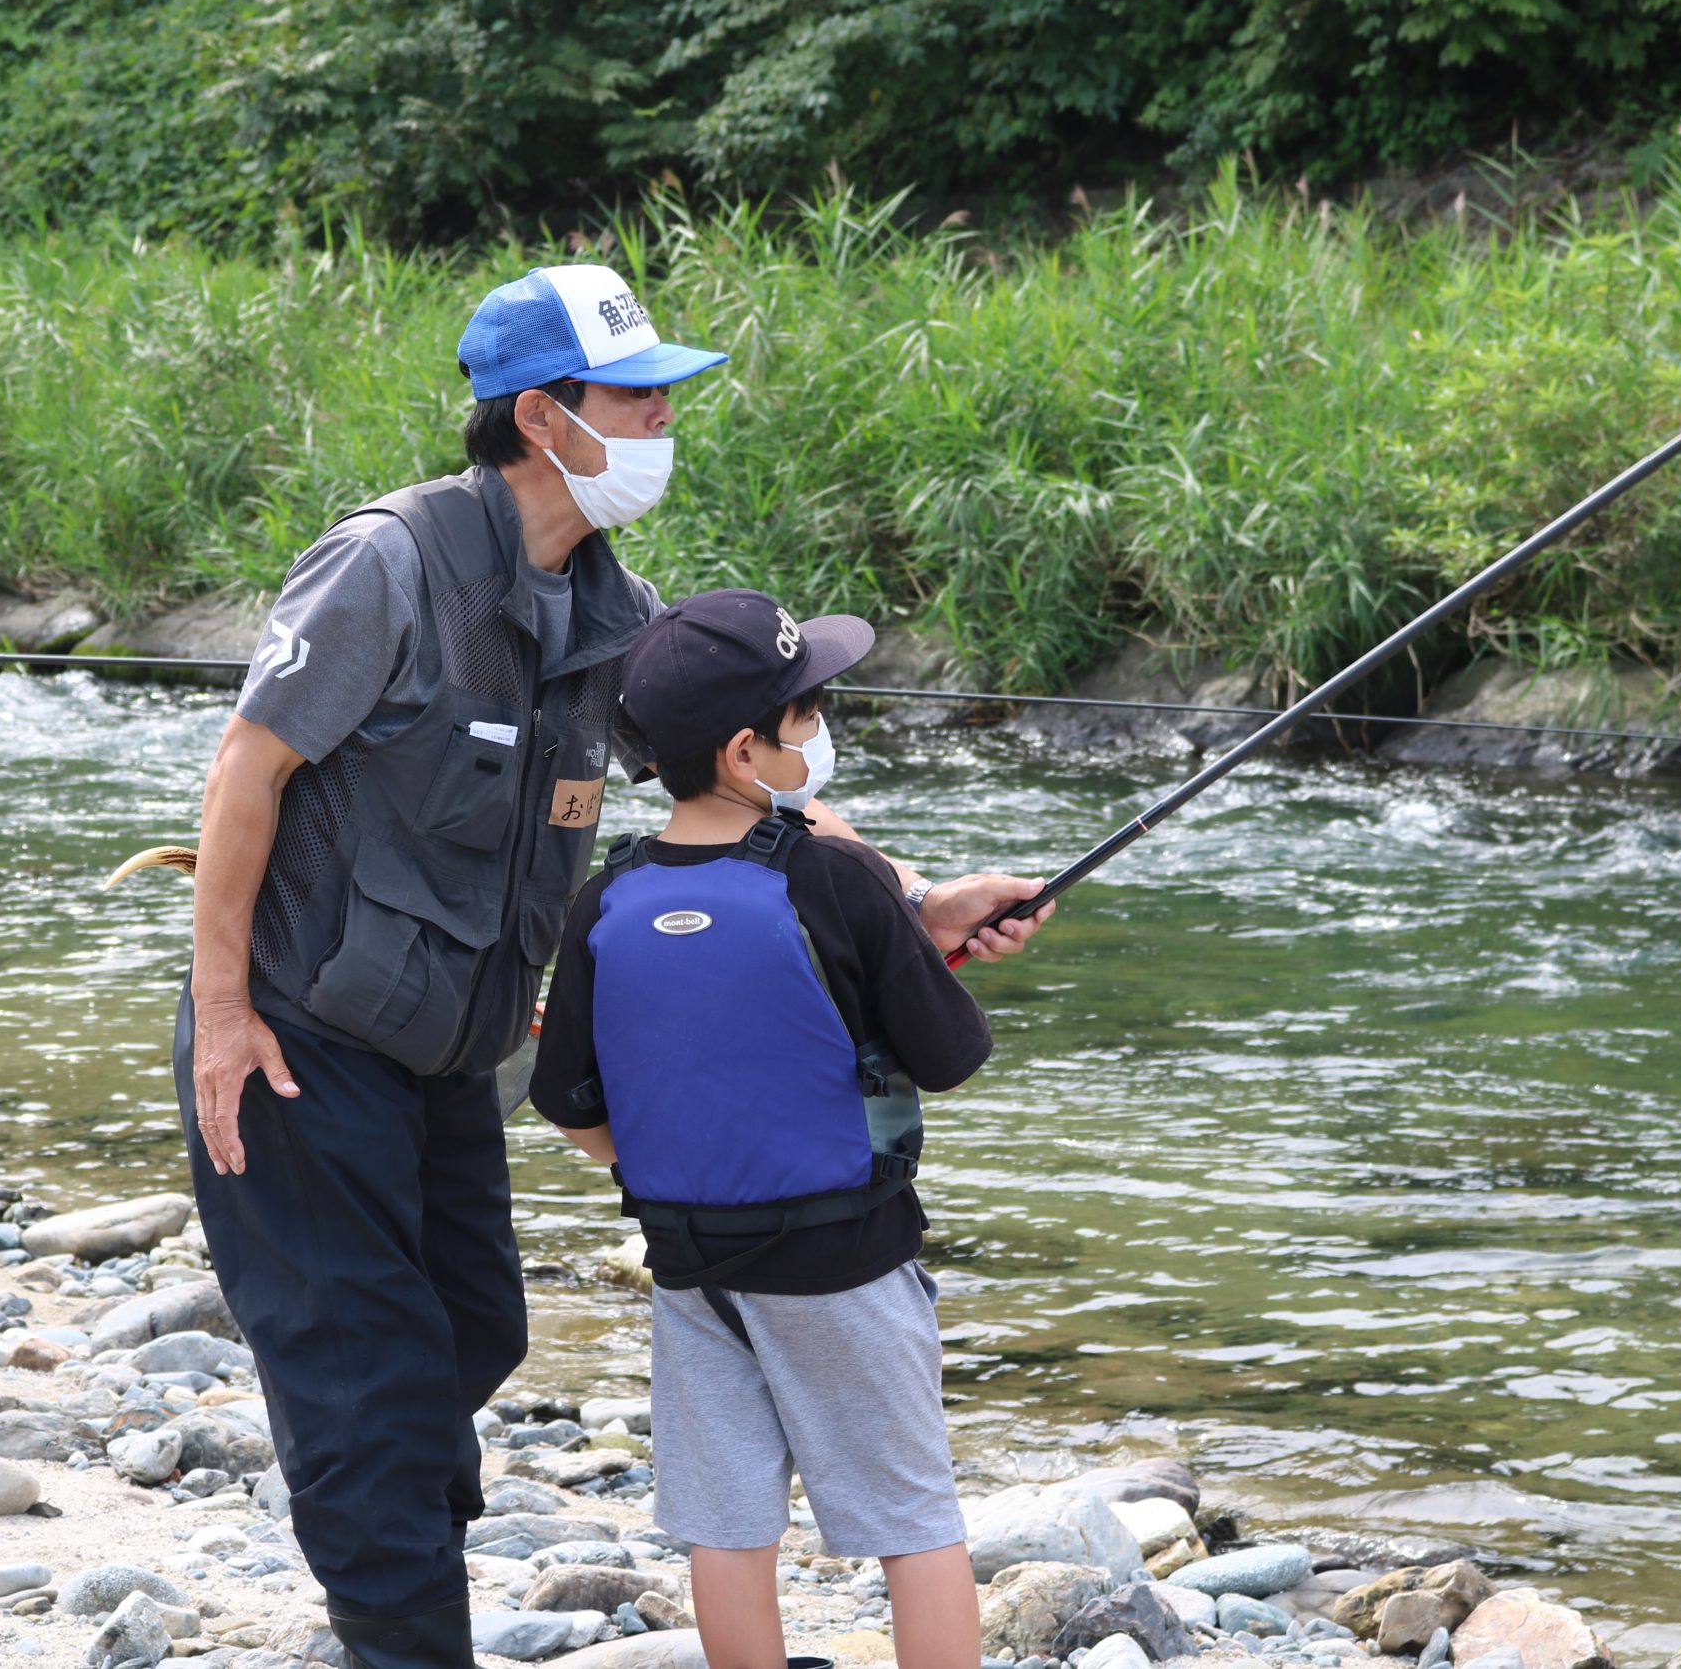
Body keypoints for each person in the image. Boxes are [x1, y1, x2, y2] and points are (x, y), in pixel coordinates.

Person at [167, 265, 1052, 1669]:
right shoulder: (384, 564)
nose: (663, 416)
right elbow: (244, 770)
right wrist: (220, 1010)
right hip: (295, 1035)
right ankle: (403, 1621)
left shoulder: (615, 605)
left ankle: (387, 1543)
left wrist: (914, 901)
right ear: (541, 415)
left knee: (474, 1329)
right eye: (638, 393)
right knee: (368, 1377)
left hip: (451, 1049)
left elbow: (741, 784)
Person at [526, 590, 1003, 1669]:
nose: (818, 728)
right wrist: (920, 955)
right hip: (846, 1262)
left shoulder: (602, 901)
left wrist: (667, 1175)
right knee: (912, 1523)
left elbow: (567, 1100)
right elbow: (948, 1057)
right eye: (807, 710)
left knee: (728, 1524)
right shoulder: (832, 875)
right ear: (747, 752)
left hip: (692, 1265)